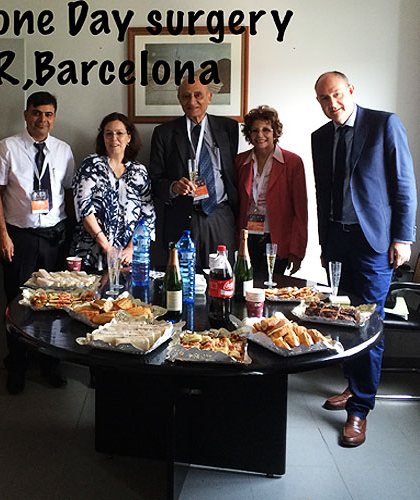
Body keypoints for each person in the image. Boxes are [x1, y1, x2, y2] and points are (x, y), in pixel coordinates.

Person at [312, 71, 417, 447]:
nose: (332, 104)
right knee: (343, 318)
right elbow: (323, 193)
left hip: (374, 243)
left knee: (368, 324)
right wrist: (324, 243)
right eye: (324, 99)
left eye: (337, 94)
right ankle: (354, 385)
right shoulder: (320, 137)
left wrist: (403, 238)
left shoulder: (384, 124)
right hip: (337, 242)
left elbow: (404, 183)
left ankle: (359, 409)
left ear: (351, 90)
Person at [0, 91, 75, 394]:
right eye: (37, 113)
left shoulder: (63, 150)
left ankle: (50, 363)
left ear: (54, 117)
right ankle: (17, 365)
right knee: (17, 304)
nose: (42, 119)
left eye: (48, 114)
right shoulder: (7, 147)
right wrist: (1, 234)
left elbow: (68, 194)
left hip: (54, 237)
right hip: (19, 238)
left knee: (55, 303)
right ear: (26, 115)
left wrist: (71, 237)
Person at [149, 73, 240, 268]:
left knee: (221, 276)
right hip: (181, 219)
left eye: (198, 95)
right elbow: (154, 181)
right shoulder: (164, 133)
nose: (192, 102)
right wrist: (173, 187)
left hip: (220, 215)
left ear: (209, 97)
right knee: (182, 279)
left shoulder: (229, 128)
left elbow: (234, 171)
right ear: (179, 99)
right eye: (186, 96)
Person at [70, 112, 155, 270]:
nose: (113, 138)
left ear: (129, 137)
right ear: (102, 137)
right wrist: (107, 248)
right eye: (108, 133)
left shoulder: (139, 171)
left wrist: (131, 248)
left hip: (129, 256)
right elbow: (83, 207)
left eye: (119, 133)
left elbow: (147, 214)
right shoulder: (92, 164)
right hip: (93, 251)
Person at [235, 105, 308, 281]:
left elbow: (301, 211)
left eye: (266, 129)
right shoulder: (240, 161)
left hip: (277, 240)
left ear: (275, 132)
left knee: (272, 288)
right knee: (245, 287)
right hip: (247, 239)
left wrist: (297, 251)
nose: (260, 135)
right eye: (255, 130)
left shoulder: (292, 162)